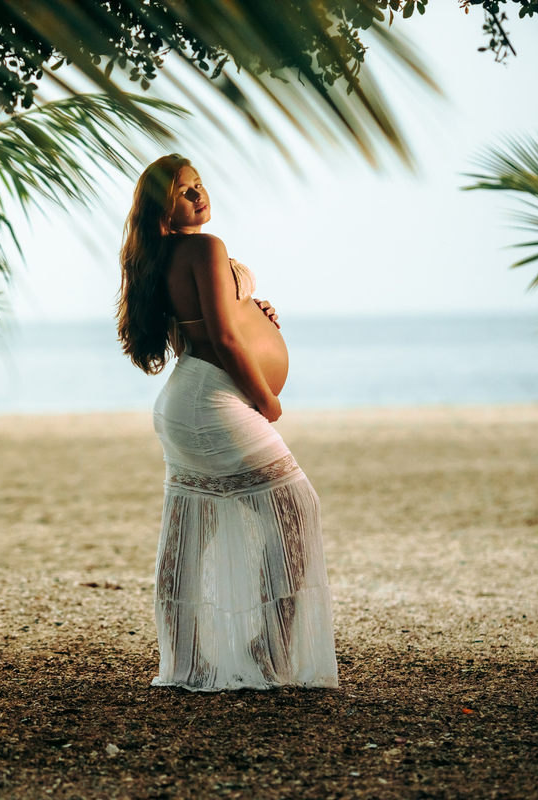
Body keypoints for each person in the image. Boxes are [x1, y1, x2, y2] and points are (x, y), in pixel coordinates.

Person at [117, 154, 338, 691]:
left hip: (187, 402)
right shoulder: (205, 247)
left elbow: (195, 332)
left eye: (199, 185)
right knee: (292, 509)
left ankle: (187, 659)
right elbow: (224, 339)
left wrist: (250, 307)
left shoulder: (161, 256)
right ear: (163, 206)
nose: (198, 196)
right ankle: (268, 652)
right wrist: (268, 402)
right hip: (214, 401)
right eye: (183, 192)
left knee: (191, 533)